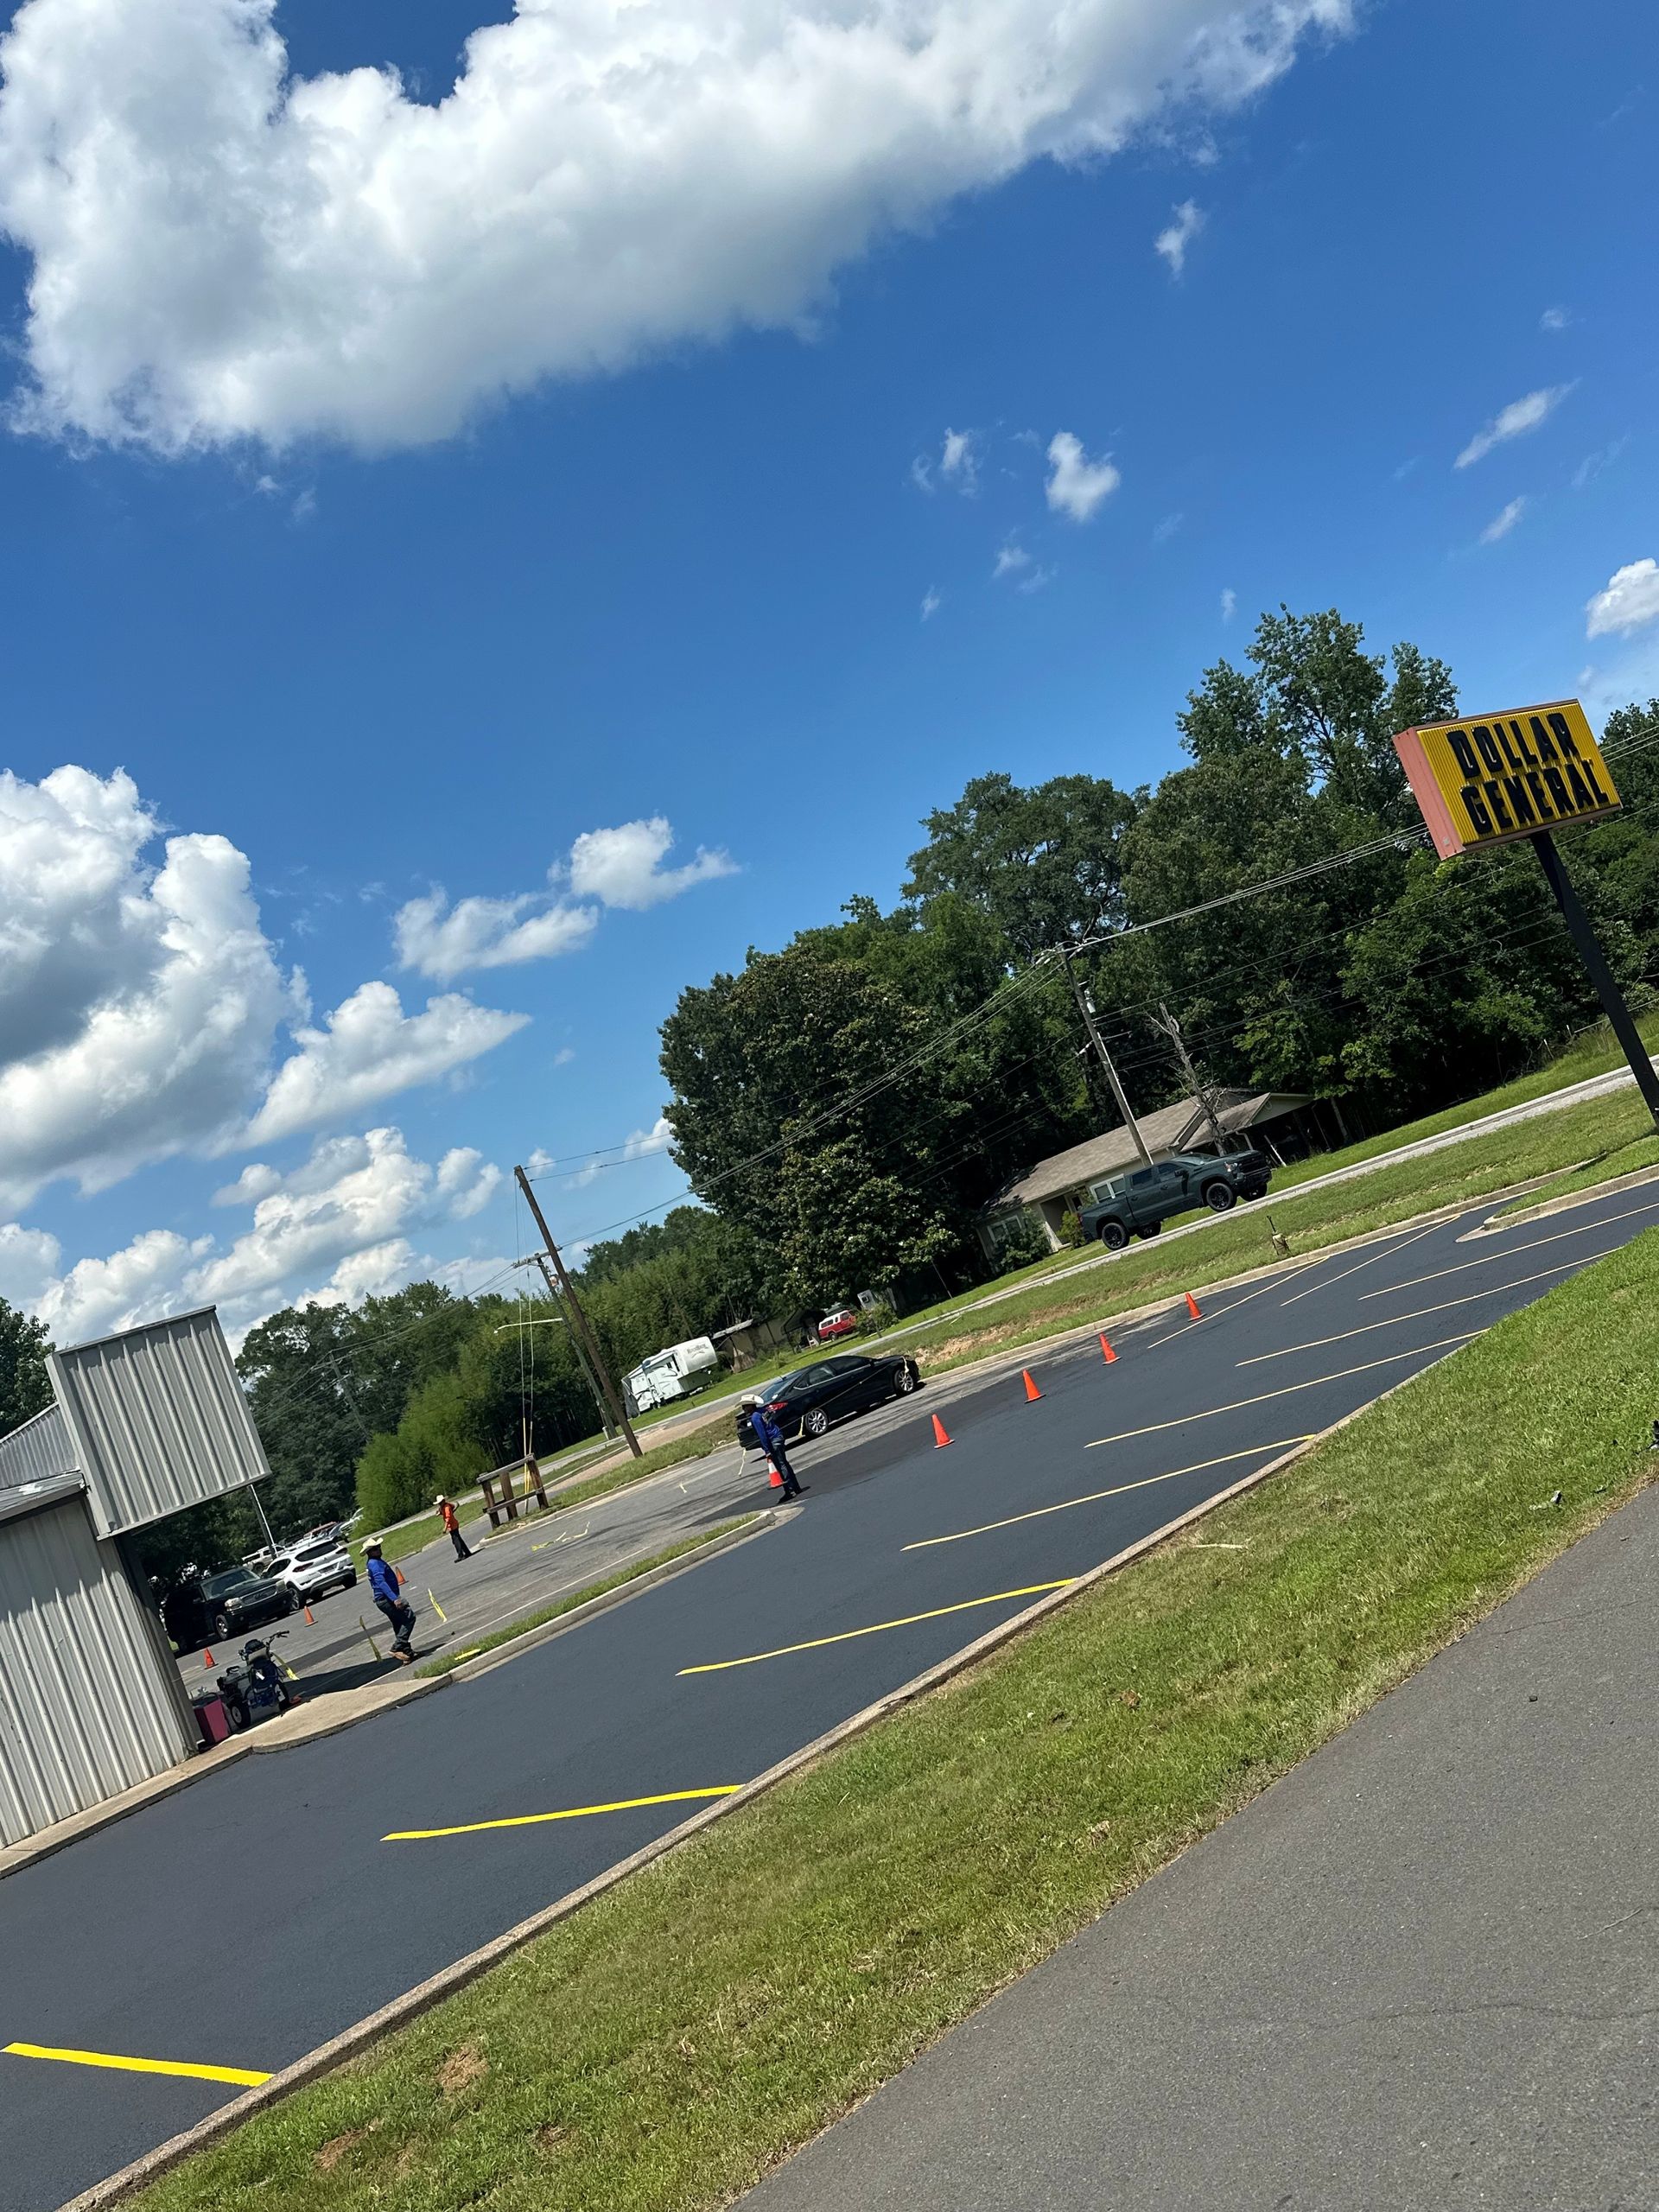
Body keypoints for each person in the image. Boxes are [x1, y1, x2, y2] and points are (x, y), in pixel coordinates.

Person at [364, 1537, 416, 1662]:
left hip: (383, 1598)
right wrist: (394, 1599)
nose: (379, 1549)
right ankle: (397, 1648)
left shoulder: (374, 1562)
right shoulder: (375, 1564)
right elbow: (381, 1582)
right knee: (409, 1618)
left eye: (378, 1547)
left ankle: (406, 1653)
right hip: (387, 1598)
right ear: (369, 1552)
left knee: (398, 1623)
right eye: (375, 1549)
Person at [744, 1394, 805, 1499]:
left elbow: (762, 1435)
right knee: (784, 1463)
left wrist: (767, 1450)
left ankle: (790, 1490)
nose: (743, 1408)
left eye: (745, 1406)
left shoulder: (755, 1417)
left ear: (751, 1405)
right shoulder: (763, 1411)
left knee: (780, 1465)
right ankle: (796, 1487)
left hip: (773, 1440)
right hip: (778, 1436)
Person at [435, 1494, 472, 1562]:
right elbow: (444, 1512)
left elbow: (448, 1518)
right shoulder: (444, 1507)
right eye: (439, 1503)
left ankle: (461, 1555)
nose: (440, 1504)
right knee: (458, 1539)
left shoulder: (446, 1508)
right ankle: (467, 1552)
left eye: (440, 1502)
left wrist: (445, 1528)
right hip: (452, 1526)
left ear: (443, 1501)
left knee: (456, 1541)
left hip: (453, 1526)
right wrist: (439, 1513)